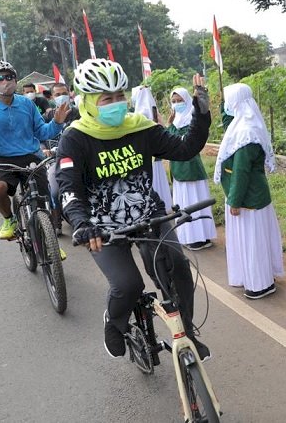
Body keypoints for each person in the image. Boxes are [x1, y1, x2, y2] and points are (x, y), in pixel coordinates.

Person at [56, 58, 212, 360]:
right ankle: (114, 323)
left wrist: (201, 114)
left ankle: (188, 332)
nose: (116, 104)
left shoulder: (141, 127)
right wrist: (81, 223)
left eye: (119, 96)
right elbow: (68, 188)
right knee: (128, 285)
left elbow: (184, 148)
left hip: (148, 214)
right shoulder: (74, 139)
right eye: (107, 99)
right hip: (100, 226)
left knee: (178, 268)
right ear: (88, 101)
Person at [0, 61, 67, 239]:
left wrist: (57, 123)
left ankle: (51, 243)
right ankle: (9, 219)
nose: (5, 81)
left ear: (16, 81)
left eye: (9, 77)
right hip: (2, 159)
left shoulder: (26, 104)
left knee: (44, 202)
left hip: (31, 156)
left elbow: (42, 132)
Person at [214, 83, 284, 299]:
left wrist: (234, 201)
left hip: (248, 198)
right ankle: (260, 279)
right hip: (252, 196)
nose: (226, 105)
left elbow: (241, 172)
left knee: (253, 243)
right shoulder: (243, 124)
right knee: (256, 242)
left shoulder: (245, 133)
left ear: (236, 102)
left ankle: (260, 284)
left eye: (228, 101)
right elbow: (228, 121)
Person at [167, 87, 217, 250]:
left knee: (196, 202)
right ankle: (190, 237)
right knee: (184, 202)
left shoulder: (192, 120)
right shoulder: (174, 121)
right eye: (173, 102)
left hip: (191, 168)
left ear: (187, 101)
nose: (176, 104)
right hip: (178, 169)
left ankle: (201, 237)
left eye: (179, 101)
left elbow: (195, 135)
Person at [42, 82, 81, 235]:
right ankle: (56, 221)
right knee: (54, 191)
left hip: (79, 159)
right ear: (52, 97)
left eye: (64, 93)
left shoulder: (80, 114)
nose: (61, 96)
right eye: (57, 94)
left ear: (70, 93)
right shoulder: (47, 117)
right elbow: (38, 137)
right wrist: (45, 150)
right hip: (55, 162)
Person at [131, 85, 173, 213]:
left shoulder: (138, 115)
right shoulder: (153, 111)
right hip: (156, 155)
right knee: (158, 179)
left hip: (145, 156)